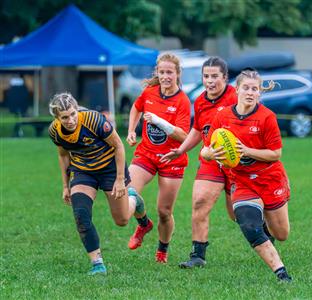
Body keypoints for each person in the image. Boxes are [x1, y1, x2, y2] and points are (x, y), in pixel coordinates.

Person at [200, 70, 292, 282]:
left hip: (269, 179)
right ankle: (281, 272)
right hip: (241, 180)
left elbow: (276, 153)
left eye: (255, 89)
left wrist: (246, 151)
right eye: (246, 88)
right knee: (248, 223)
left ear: (259, 93)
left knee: (281, 234)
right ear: (237, 90)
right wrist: (211, 153)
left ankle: (268, 230)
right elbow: (204, 152)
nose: (250, 93)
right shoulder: (222, 116)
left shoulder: (267, 117)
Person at [48, 92, 150, 275]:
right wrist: (65, 186)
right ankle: (97, 264)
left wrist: (120, 180)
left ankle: (134, 199)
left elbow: (119, 146)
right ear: (57, 118)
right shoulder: (55, 131)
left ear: (77, 109)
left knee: (122, 220)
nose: (70, 119)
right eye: (64, 117)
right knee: (80, 215)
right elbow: (63, 155)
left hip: (110, 169)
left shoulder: (93, 120)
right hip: (83, 171)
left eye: (73, 114)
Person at [161, 57, 237, 268]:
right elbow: (197, 129)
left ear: (225, 77)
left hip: (235, 163)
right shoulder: (201, 100)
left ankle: (262, 230)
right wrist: (180, 150)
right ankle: (198, 255)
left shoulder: (235, 96)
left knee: (236, 213)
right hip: (210, 161)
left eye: (215, 76)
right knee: (199, 202)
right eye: (206, 76)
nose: (210, 81)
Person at [126, 53, 191, 264]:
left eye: (169, 72)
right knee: (129, 192)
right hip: (146, 154)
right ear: (157, 72)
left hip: (171, 159)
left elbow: (183, 135)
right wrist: (131, 131)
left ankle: (162, 250)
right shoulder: (149, 92)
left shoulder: (182, 101)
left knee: (164, 211)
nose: (165, 76)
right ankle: (144, 223)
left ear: (177, 74)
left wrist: (160, 122)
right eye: (162, 72)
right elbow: (136, 107)